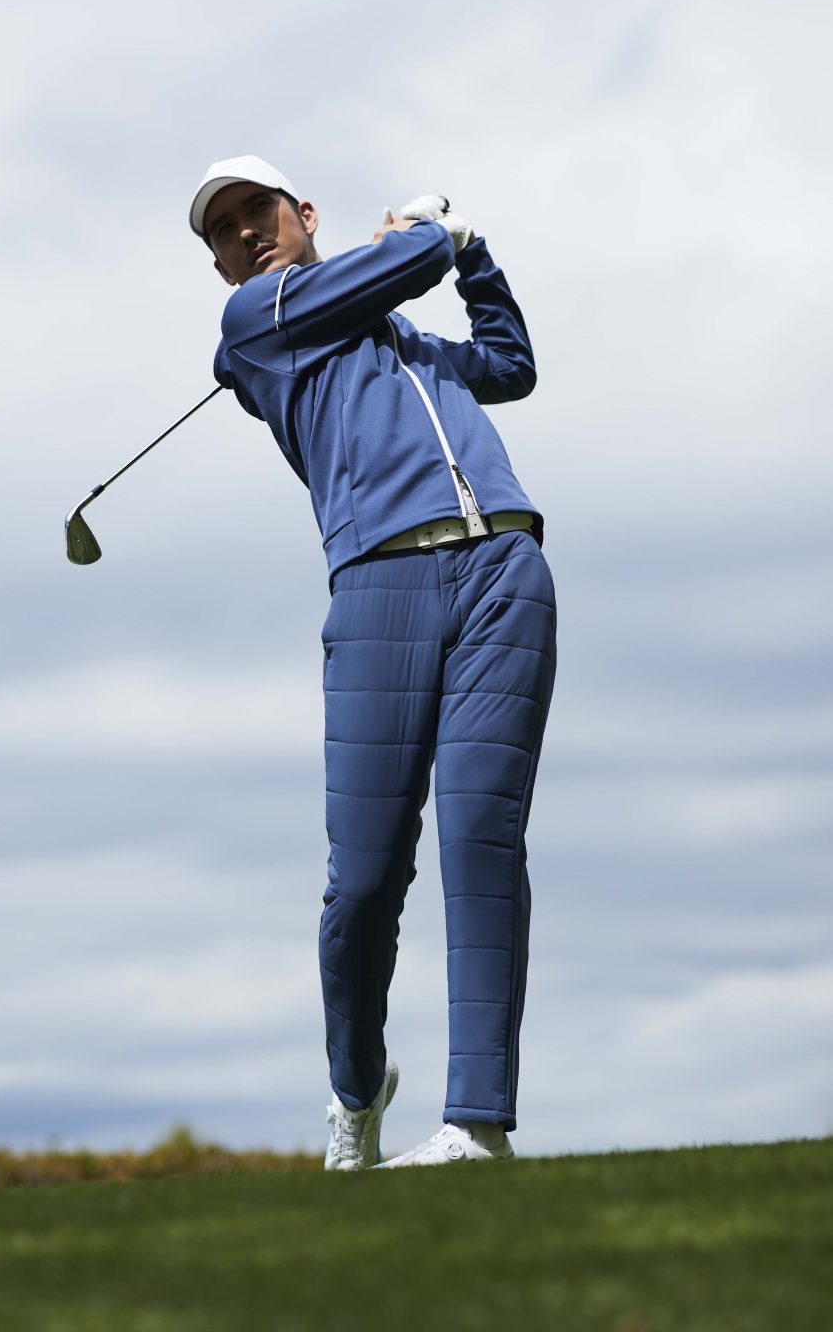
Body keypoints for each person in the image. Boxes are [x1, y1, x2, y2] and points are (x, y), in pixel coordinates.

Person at [191, 155, 557, 1170]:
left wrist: (474, 256)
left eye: (258, 211)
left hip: (502, 568)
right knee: (362, 879)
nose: (245, 233)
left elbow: (509, 364)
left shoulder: (405, 342)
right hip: (377, 587)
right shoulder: (257, 322)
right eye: (223, 231)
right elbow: (400, 265)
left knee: (481, 838)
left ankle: (475, 1123)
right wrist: (429, 237)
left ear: (302, 213)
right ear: (220, 265)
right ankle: (356, 1087)